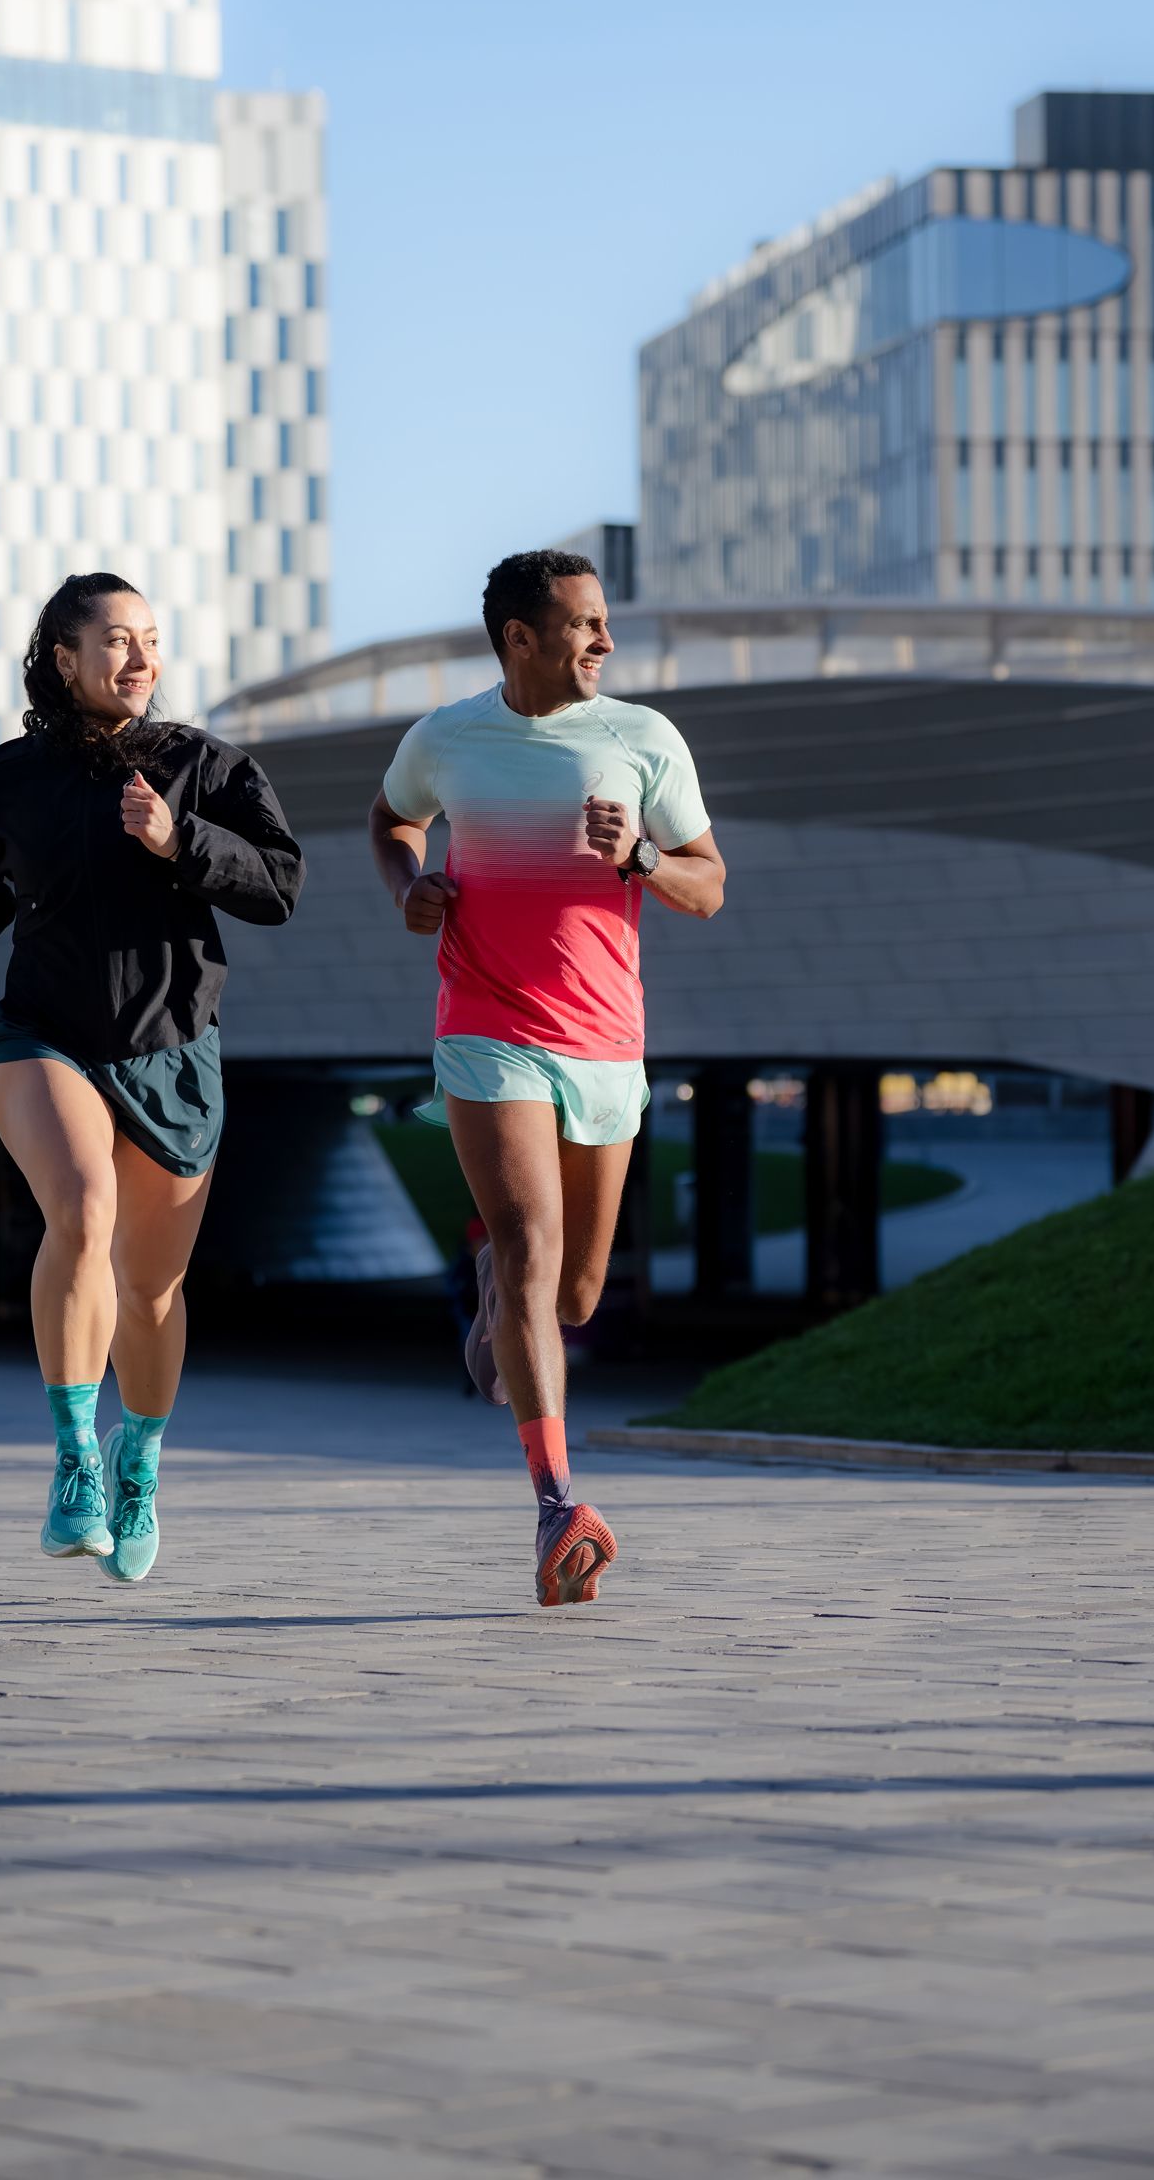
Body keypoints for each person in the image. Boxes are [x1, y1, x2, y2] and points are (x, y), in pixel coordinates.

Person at [0, 572, 303, 1582]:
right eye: (116, 640)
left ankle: (138, 1465)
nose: (140, 659)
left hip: (171, 1049)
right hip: (42, 1035)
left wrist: (182, 843)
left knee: (151, 1288)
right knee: (80, 1210)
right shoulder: (3, 780)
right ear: (63, 657)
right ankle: (76, 1460)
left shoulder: (201, 766)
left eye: (152, 641)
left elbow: (279, 883)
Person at [368, 549, 724, 1606]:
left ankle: (494, 1290)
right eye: (583, 625)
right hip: (487, 1029)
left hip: (606, 1045)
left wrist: (645, 863)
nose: (605, 642)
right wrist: (409, 887)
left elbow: (709, 887)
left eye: (604, 622)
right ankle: (555, 1501)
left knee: (570, 1293)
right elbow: (391, 821)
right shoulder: (446, 737)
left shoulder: (643, 740)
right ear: (519, 638)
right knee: (530, 1249)